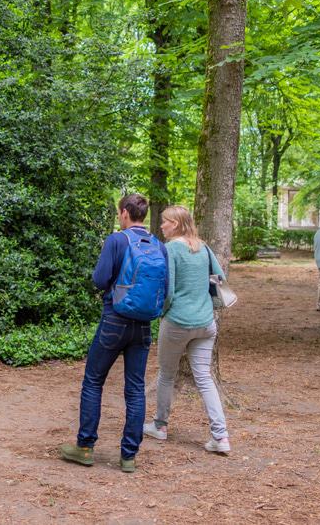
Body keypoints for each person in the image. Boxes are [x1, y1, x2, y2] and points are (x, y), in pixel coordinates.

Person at [60, 193, 168, 473]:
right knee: (135, 389)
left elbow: (99, 280)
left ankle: (84, 447)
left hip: (114, 320)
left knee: (93, 382)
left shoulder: (117, 240)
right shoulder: (158, 244)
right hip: (143, 326)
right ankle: (129, 456)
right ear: (142, 215)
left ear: (124, 213)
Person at [142, 205, 231, 455]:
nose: (161, 226)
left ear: (177, 224)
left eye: (165, 222)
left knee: (166, 374)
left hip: (178, 322)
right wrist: (210, 304)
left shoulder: (170, 249)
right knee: (204, 378)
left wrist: (163, 312)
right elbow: (219, 278)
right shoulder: (203, 247)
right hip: (205, 323)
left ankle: (159, 426)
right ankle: (221, 436)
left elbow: (167, 289)